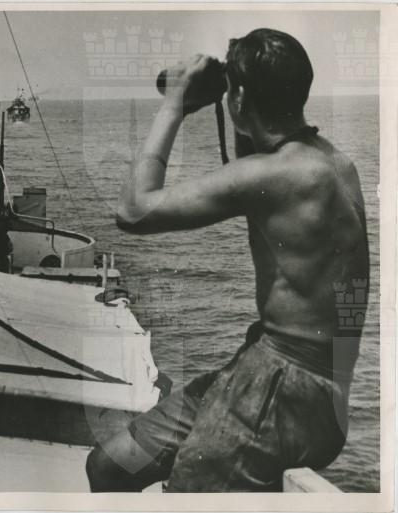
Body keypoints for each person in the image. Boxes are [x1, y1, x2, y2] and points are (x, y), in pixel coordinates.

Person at [86, 28, 369, 492]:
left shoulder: (276, 175)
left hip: (284, 389)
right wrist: (238, 98)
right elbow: (256, 162)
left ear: (239, 99)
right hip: (284, 378)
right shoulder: (333, 164)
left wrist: (175, 105)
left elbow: (133, 210)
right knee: (110, 466)